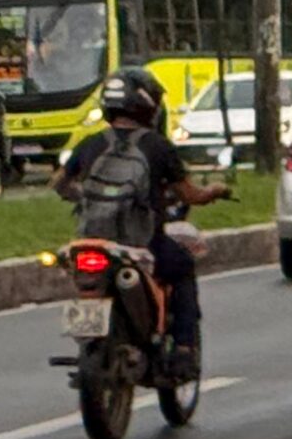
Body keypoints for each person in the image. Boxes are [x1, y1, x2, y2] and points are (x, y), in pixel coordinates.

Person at [55, 68, 225, 364]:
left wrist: (83, 197)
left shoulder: (91, 143)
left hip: (91, 241)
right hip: (142, 243)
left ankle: (88, 342)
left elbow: (59, 183)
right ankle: (185, 347)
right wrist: (215, 191)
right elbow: (189, 195)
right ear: (148, 105)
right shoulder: (157, 147)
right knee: (182, 266)